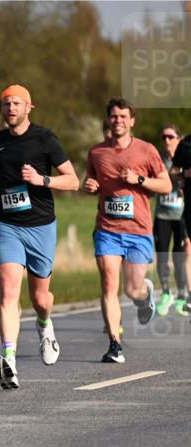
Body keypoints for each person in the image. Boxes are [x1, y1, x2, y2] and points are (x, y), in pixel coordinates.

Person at [0, 85, 79, 389]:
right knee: (9, 292)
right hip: (6, 225)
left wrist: (42, 179)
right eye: (6, 103)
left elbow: (74, 181)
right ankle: (8, 357)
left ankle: (45, 325)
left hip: (40, 226)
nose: (10, 108)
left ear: (29, 108)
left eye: (16, 103)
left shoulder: (45, 139)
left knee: (40, 299)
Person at [83, 98, 171, 363]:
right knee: (109, 284)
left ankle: (145, 296)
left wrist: (139, 180)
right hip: (107, 230)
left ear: (131, 121)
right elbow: (92, 182)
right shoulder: (96, 153)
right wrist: (89, 187)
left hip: (138, 230)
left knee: (132, 290)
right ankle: (114, 344)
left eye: (123, 116)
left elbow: (166, 186)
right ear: (109, 120)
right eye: (114, 116)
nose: (118, 120)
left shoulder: (146, 150)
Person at [152, 124, 187, 316]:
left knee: (180, 257)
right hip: (162, 215)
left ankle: (181, 296)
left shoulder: (186, 159)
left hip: (181, 215)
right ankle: (166, 293)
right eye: (163, 137)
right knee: (162, 255)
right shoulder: (158, 159)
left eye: (170, 137)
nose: (166, 140)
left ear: (179, 139)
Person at [172, 133, 191, 315]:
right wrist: (185, 174)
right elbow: (172, 173)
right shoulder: (185, 144)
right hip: (188, 208)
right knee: (188, 249)